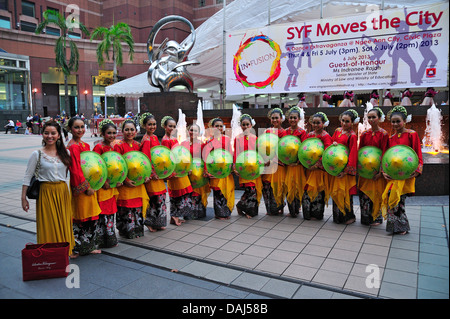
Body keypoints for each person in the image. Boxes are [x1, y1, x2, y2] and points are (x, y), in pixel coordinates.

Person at [22, 121, 75, 257]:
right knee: (48, 223)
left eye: (53, 133)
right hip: (46, 192)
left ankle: (64, 251)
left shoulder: (66, 152)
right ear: (42, 134)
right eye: (46, 133)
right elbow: (27, 176)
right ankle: (49, 253)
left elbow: (73, 173)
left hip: (62, 191)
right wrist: (23, 198)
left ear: (58, 135)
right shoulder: (37, 154)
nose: (49, 136)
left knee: (64, 221)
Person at [381, 106, 423, 235]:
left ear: (405, 121)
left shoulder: (412, 134)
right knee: (391, 196)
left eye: (398, 121)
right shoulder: (391, 138)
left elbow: (417, 153)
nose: (395, 124)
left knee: (400, 199)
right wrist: (384, 171)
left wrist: (418, 168)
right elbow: (387, 156)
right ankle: (396, 226)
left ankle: (401, 227)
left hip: (406, 173)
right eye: (393, 122)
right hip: (393, 174)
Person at [67, 116, 102, 256]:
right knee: (81, 216)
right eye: (77, 127)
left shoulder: (85, 146)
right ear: (70, 129)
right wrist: (85, 187)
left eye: (82, 127)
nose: (80, 130)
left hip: (89, 185)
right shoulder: (72, 147)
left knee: (89, 215)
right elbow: (75, 170)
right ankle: (78, 247)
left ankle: (88, 245)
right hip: (82, 188)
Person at [113, 119, 149, 239]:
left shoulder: (138, 145)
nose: (129, 132)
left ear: (136, 131)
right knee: (126, 207)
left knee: (136, 207)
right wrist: (125, 180)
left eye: (132, 129)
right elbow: (117, 166)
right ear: (122, 131)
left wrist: (145, 176)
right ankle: (126, 231)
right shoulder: (118, 146)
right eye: (127, 129)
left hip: (137, 183)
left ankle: (137, 230)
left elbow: (143, 164)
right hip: (125, 183)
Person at [358, 107, 389, 226]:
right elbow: (360, 151)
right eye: (369, 117)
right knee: (365, 195)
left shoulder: (384, 134)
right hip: (365, 172)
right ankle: (365, 219)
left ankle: (376, 218)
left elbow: (385, 153)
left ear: (379, 118)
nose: (371, 119)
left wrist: (380, 172)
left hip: (377, 172)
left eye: (373, 117)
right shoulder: (365, 134)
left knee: (376, 194)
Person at [161, 115, 194, 225]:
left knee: (183, 193)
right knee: (177, 194)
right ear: (165, 127)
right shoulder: (166, 140)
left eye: (174, 126)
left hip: (180, 170)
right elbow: (166, 158)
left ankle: (175, 216)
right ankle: (174, 216)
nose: (172, 128)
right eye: (170, 126)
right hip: (174, 172)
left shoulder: (173, 138)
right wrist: (172, 172)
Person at [92, 119, 120, 248]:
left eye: (114, 133)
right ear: (103, 133)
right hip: (103, 186)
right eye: (109, 133)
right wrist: (103, 182)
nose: (112, 135)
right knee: (103, 213)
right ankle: (101, 239)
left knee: (110, 212)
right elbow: (95, 167)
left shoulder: (115, 146)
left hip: (112, 186)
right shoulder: (99, 147)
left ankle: (110, 238)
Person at [139, 112, 168, 231]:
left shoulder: (155, 137)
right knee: (154, 198)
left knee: (160, 197)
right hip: (152, 175)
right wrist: (152, 174)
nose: (152, 126)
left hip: (158, 174)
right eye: (149, 124)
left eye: (154, 124)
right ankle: (150, 222)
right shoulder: (146, 139)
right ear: (144, 126)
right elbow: (146, 159)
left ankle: (158, 222)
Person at [329, 109, 359, 224]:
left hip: (345, 170)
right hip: (337, 168)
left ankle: (349, 217)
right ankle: (338, 217)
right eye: (343, 120)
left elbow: (353, 154)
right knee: (337, 192)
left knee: (346, 193)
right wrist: (334, 144)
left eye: (347, 121)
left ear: (352, 123)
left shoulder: (352, 136)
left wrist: (346, 171)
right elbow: (331, 145)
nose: (344, 123)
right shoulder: (337, 131)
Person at [302, 112, 333, 220]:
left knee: (318, 191)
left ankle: (317, 214)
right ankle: (307, 213)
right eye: (314, 123)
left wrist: (317, 165)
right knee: (307, 190)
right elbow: (304, 149)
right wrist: (306, 163)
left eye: (318, 123)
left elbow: (327, 153)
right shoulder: (309, 135)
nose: (315, 125)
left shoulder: (326, 136)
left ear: (323, 123)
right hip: (309, 169)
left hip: (319, 170)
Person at [203, 118, 235, 220]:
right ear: (212, 128)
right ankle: (219, 213)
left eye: (221, 126)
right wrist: (206, 170)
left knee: (225, 190)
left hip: (226, 170)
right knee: (218, 192)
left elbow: (231, 153)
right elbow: (205, 156)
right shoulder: (209, 140)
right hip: (214, 170)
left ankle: (226, 212)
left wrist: (232, 167)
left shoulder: (227, 139)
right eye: (217, 126)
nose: (219, 128)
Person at [233, 114, 262, 219]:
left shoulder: (255, 138)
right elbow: (236, 153)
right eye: (243, 124)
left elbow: (259, 153)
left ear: (251, 125)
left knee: (252, 189)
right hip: (243, 168)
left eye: (247, 124)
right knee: (250, 189)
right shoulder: (238, 139)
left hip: (254, 168)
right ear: (241, 125)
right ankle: (247, 209)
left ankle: (243, 206)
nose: (245, 126)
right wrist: (234, 167)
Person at [181, 123, 210, 219]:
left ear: (199, 133)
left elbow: (205, 158)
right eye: (191, 130)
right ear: (188, 131)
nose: (193, 132)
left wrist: (205, 170)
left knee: (198, 191)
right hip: (187, 172)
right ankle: (187, 212)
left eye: (195, 130)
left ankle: (198, 212)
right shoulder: (184, 143)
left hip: (198, 172)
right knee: (188, 192)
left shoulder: (202, 144)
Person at [261, 108, 287, 215]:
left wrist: (272, 159)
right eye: (273, 118)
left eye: (277, 118)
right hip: (267, 163)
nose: (275, 120)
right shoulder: (267, 131)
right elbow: (262, 146)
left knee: (278, 185)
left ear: (281, 119)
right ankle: (270, 209)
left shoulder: (284, 132)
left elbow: (284, 149)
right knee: (267, 186)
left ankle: (279, 207)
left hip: (278, 164)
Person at [284, 106, 307, 218]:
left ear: (299, 119)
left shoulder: (302, 132)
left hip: (297, 165)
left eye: (294, 118)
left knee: (297, 186)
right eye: (291, 118)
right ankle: (291, 210)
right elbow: (281, 148)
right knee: (289, 186)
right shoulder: (285, 132)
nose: (292, 120)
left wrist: (297, 162)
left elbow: (304, 149)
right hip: (288, 165)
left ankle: (297, 208)